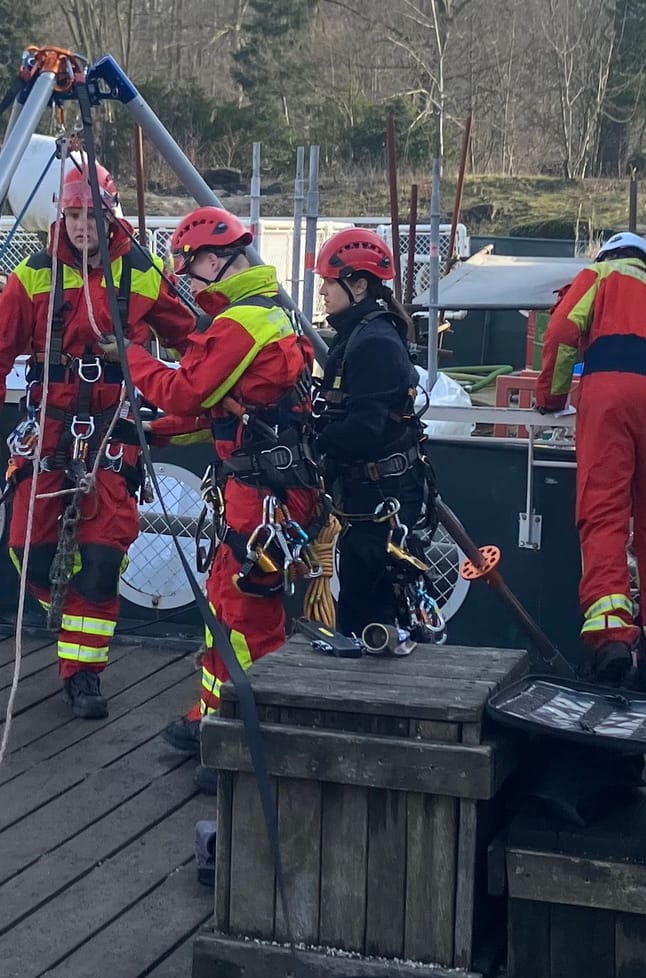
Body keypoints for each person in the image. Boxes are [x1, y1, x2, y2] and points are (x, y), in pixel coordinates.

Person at [0, 162, 197, 719]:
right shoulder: (33, 276)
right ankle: (68, 624)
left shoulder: (142, 271)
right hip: (48, 432)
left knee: (100, 561)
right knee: (31, 555)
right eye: (73, 215)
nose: (83, 226)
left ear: (109, 214)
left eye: (92, 215)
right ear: (60, 215)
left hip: (114, 430)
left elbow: (193, 338)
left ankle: (83, 675)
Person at [135, 208, 320, 778]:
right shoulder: (256, 317)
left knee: (247, 618)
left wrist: (131, 358)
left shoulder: (244, 322)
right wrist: (147, 432)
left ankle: (244, 740)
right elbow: (220, 413)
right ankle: (213, 716)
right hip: (255, 486)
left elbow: (187, 392)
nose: (187, 282)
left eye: (190, 269)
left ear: (215, 261)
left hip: (263, 493)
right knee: (226, 606)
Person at [536, 231, 646, 689]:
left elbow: (564, 333)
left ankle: (611, 636)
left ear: (608, 256)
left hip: (610, 393)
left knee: (604, 509)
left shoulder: (598, 276)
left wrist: (551, 397)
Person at [311, 227, 430, 654]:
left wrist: (313, 443)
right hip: (373, 495)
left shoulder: (374, 342)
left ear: (358, 285)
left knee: (366, 611)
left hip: (382, 498)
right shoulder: (361, 335)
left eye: (329, 281)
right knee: (363, 602)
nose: (323, 291)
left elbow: (364, 430)